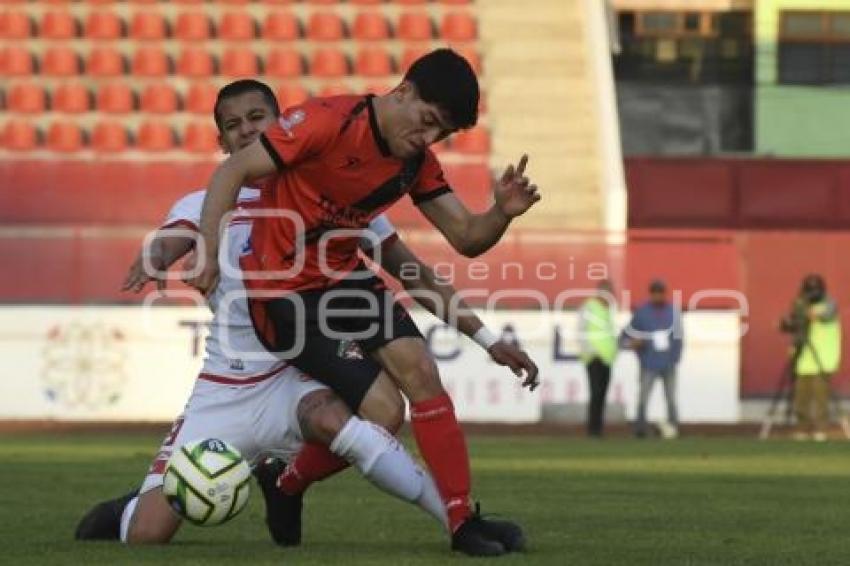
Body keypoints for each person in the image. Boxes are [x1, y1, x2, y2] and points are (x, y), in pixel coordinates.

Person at [76, 80, 538, 555]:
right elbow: (175, 237)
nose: (246, 130)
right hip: (224, 387)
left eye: (257, 118)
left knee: (377, 412)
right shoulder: (202, 205)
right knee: (147, 534)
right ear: (222, 142)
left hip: (295, 376)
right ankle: (129, 508)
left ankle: (459, 522)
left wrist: (484, 334)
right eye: (232, 126)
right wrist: (158, 253)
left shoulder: (334, 190)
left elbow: (412, 272)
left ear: (281, 124)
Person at [621, 279, 683, 439]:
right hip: (648, 362)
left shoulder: (673, 312)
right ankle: (640, 428)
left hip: (668, 362)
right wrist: (633, 344)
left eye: (660, 293)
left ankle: (673, 427)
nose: (658, 297)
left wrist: (675, 357)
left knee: (670, 397)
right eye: (655, 293)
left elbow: (679, 337)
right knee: (643, 396)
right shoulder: (642, 313)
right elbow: (625, 336)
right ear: (651, 294)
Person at [786, 274, 841, 441]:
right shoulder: (800, 303)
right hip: (804, 357)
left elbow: (821, 316)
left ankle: (820, 429)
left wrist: (803, 310)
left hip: (823, 357)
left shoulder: (829, 304)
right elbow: (796, 324)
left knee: (820, 396)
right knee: (801, 395)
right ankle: (801, 428)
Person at [577, 280, 618, 437]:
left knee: (602, 394)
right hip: (594, 357)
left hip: (607, 358)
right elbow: (582, 330)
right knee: (596, 393)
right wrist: (590, 351)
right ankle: (593, 429)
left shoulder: (607, 309)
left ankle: (598, 428)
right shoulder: (589, 307)